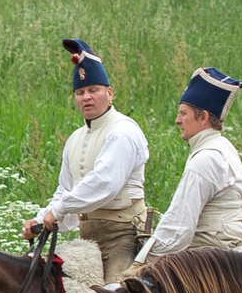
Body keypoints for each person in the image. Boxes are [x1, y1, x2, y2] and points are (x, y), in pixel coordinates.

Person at [24, 38, 149, 276]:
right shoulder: (75, 138)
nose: (86, 97)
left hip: (123, 238)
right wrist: (40, 220)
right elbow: (65, 190)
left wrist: (58, 211)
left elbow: (104, 183)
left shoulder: (123, 130)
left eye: (93, 90)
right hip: (87, 241)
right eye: (80, 92)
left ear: (109, 93)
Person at [134, 67, 242, 262]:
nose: (177, 120)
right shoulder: (222, 147)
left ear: (203, 118)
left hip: (214, 265)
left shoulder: (206, 158)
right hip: (228, 259)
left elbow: (179, 228)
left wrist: (141, 263)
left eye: (183, 113)